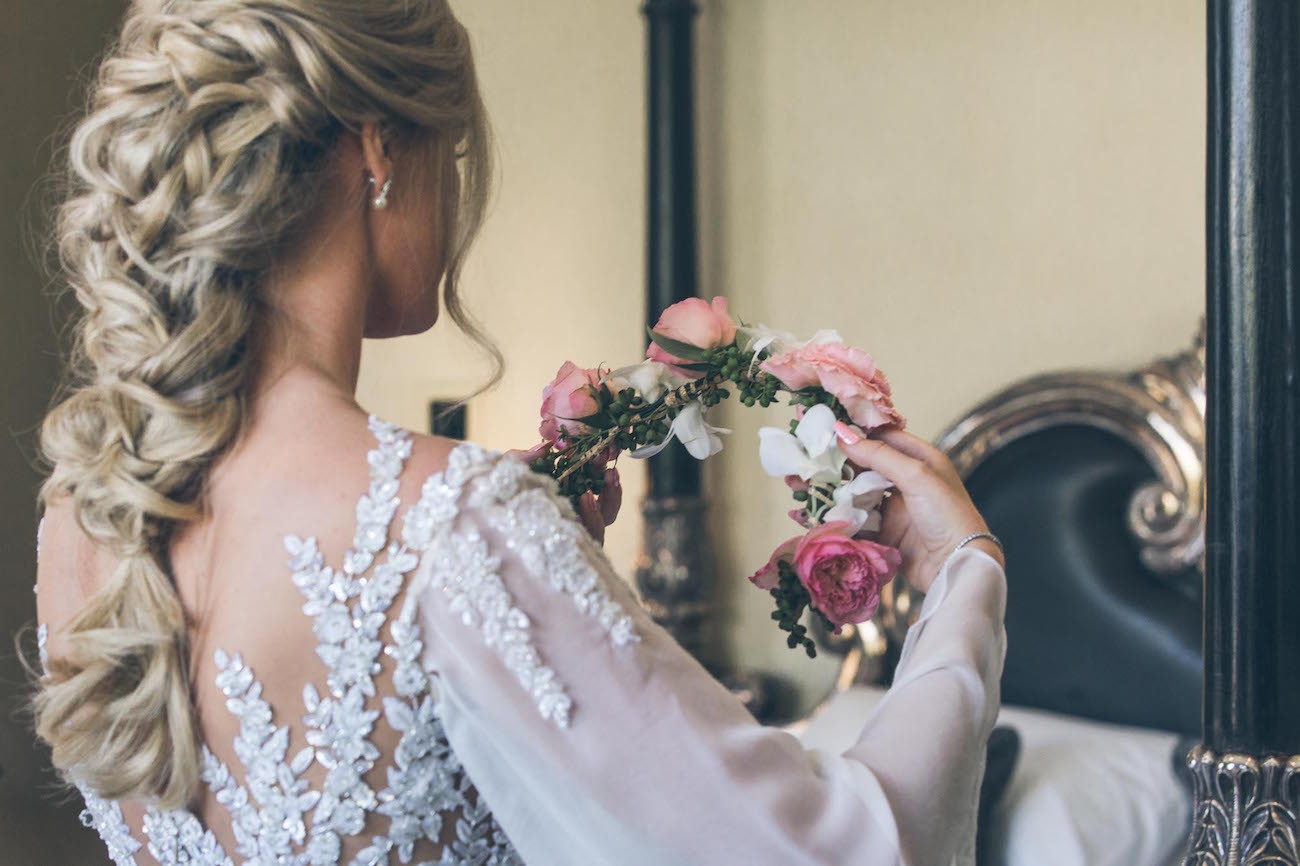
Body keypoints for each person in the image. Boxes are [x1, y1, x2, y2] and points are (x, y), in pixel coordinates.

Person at [29, 1, 1007, 864]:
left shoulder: (87, 508)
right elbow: (832, 852)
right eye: (448, 153)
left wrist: (524, 574)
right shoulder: (455, 526)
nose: (453, 196)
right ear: (378, 150)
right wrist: (964, 572)